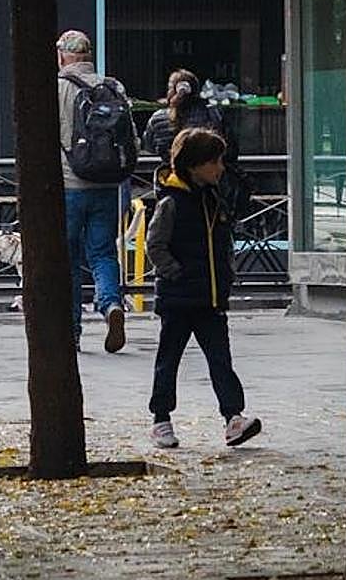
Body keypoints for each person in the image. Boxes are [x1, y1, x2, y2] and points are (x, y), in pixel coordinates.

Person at [145, 127, 261, 450]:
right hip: (179, 298)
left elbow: (225, 236)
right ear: (194, 165)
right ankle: (161, 419)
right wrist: (175, 273)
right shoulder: (171, 202)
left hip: (210, 297)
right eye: (214, 162)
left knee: (220, 359)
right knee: (169, 359)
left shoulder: (213, 198)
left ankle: (233, 417)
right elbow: (155, 245)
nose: (219, 167)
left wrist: (225, 275)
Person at [56, 28, 134, 353]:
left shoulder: (57, 88)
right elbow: (130, 136)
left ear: (62, 56)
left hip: (69, 185)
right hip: (107, 184)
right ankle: (111, 304)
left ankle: (71, 331)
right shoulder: (113, 86)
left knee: (68, 259)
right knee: (103, 252)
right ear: (88, 55)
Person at [142, 69, 234, 165]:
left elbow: (149, 148)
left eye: (169, 88)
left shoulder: (157, 118)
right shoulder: (211, 113)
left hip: (170, 172)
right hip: (204, 170)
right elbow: (225, 144)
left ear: (173, 91)